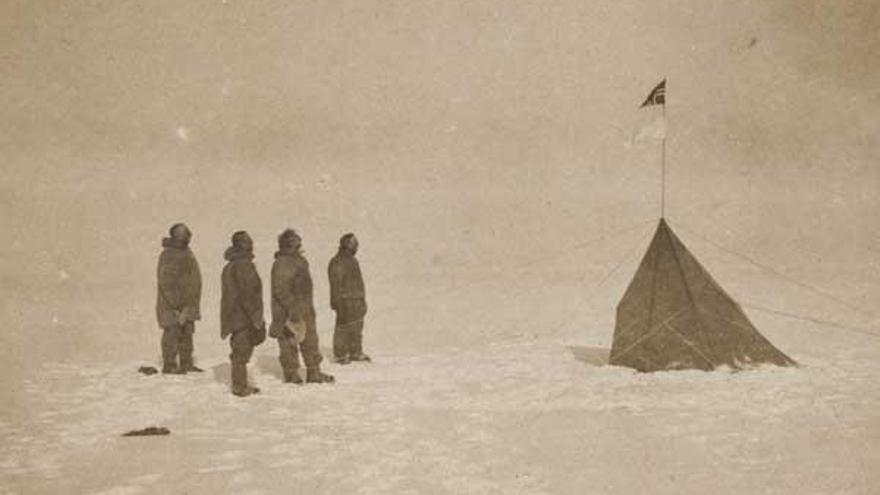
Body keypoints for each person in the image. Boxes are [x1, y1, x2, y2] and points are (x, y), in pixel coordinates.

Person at [270, 229, 334, 384]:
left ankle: (314, 372)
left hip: (305, 309)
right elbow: (281, 289)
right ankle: (291, 374)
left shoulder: (299, 261)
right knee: (288, 342)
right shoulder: (283, 263)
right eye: (296, 241)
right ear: (289, 244)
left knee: (310, 340)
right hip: (287, 312)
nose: (300, 244)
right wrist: (292, 310)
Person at [220, 231, 265, 397]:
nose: (251, 243)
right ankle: (239, 387)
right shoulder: (243, 265)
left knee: (240, 352)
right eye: (248, 241)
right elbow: (248, 294)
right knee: (241, 353)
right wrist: (256, 318)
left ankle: (240, 384)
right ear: (240, 244)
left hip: (236, 316)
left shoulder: (231, 265)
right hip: (243, 317)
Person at [155, 223, 202, 374]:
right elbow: (166, 283)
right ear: (177, 236)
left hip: (187, 305)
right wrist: (176, 307)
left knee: (187, 333)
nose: (188, 236)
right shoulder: (169, 254)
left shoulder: (185, 252)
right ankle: (169, 365)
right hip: (173, 307)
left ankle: (186, 363)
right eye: (185, 234)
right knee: (172, 333)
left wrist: (188, 306)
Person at [328, 233, 370, 365]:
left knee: (357, 326)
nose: (356, 248)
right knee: (342, 327)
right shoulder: (337, 261)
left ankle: (355, 352)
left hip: (356, 300)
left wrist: (361, 299)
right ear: (348, 245)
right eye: (354, 245)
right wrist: (338, 302)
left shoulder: (352, 260)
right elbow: (336, 284)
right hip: (345, 301)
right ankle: (340, 355)